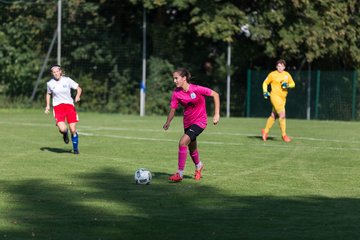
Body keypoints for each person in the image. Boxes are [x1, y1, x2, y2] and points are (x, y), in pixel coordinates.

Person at [163, 68, 220, 182]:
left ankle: (179, 173)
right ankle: (199, 166)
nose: (174, 81)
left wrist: (216, 114)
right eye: (173, 78)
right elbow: (173, 109)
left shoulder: (196, 89)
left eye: (176, 78)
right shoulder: (176, 93)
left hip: (200, 121)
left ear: (184, 78)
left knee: (182, 142)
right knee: (192, 148)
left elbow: (215, 94)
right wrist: (168, 122)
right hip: (187, 123)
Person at [45, 65, 82, 154]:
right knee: (62, 129)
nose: (56, 73)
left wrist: (77, 96)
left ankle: (75, 149)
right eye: (54, 72)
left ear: (60, 71)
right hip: (58, 108)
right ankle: (65, 134)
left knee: (73, 129)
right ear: (52, 73)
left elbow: (79, 88)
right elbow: (48, 94)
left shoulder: (67, 80)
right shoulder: (50, 83)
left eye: (57, 71)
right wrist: (47, 106)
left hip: (69, 106)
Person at [261, 59, 295, 142]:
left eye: (282, 66)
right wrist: (265, 91)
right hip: (274, 96)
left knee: (274, 115)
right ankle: (284, 135)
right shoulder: (272, 74)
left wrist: (287, 85)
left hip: (283, 98)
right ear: (276, 67)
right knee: (282, 114)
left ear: (284, 67)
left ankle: (265, 131)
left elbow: (293, 84)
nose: (280, 68)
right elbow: (265, 83)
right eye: (278, 66)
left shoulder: (287, 75)